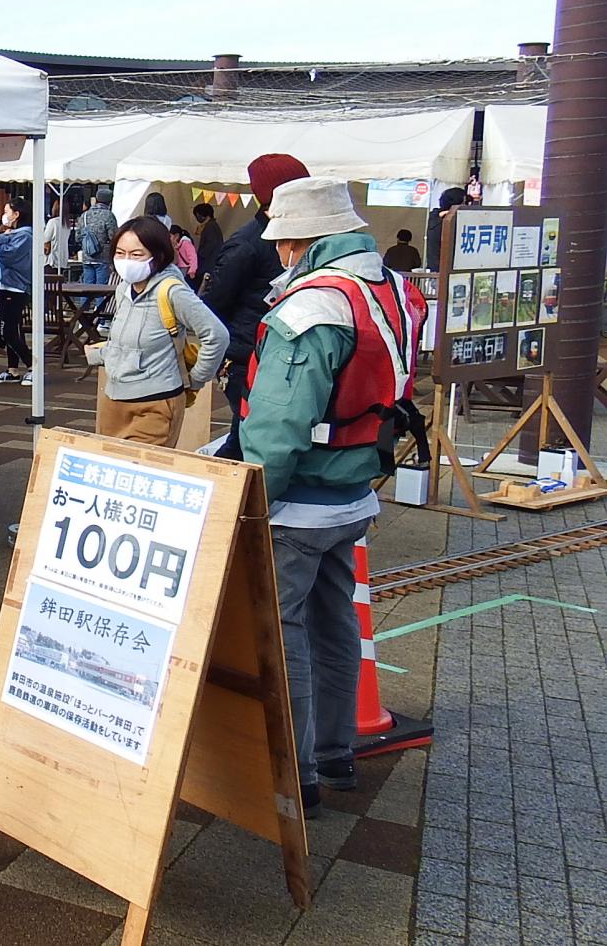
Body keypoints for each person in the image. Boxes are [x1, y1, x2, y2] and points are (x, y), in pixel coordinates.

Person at [233, 177, 423, 818]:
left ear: (301, 241)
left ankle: (297, 770)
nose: (279, 252)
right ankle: (337, 752)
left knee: (281, 632)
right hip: (355, 490)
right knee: (336, 620)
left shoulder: (311, 308)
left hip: (299, 503)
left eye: (282, 242)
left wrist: (250, 501)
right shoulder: (391, 287)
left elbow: (278, 427)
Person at [94, 216, 228, 446]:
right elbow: (123, 339)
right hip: (113, 399)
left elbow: (217, 335)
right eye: (120, 253)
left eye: (136, 254)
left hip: (155, 403)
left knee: (142, 465)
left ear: (158, 255)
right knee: (110, 464)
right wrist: (100, 354)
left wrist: (197, 379)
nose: (126, 260)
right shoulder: (123, 289)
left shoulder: (172, 291)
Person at [202, 154, 309, 416]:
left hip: (288, 353)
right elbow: (215, 302)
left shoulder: (305, 235)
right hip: (248, 356)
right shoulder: (246, 244)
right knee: (249, 429)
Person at [0, 199, 36, 385]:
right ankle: (12, 369)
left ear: (16, 214)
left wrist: (1, 238)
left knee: (8, 331)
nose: (4, 215)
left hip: (17, 287)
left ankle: (33, 366)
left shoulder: (25, 235)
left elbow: (6, 254)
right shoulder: (15, 234)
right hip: (5, 285)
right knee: (9, 329)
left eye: (7, 211)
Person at [75, 187, 118, 289]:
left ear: (96, 199)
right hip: (103, 258)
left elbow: (78, 237)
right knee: (100, 289)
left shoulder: (84, 215)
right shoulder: (108, 215)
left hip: (87, 256)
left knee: (86, 288)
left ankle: (85, 300)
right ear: (110, 202)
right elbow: (113, 237)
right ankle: (98, 301)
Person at [425, 186, 468, 262]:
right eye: (463, 203)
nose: (466, 205)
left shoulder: (435, 216)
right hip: (442, 265)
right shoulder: (446, 221)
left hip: (435, 264)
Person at [41, 196, 72, 273]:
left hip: (52, 259)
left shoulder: (53, 222)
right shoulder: (67, 224)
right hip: (63, 258)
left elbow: (46, 239)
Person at [193, 202, 225, 272]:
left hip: (210, 262)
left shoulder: (210, 226)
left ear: (201, 215)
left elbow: (211, 244)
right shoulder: (212, 225)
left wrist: (200, 255)